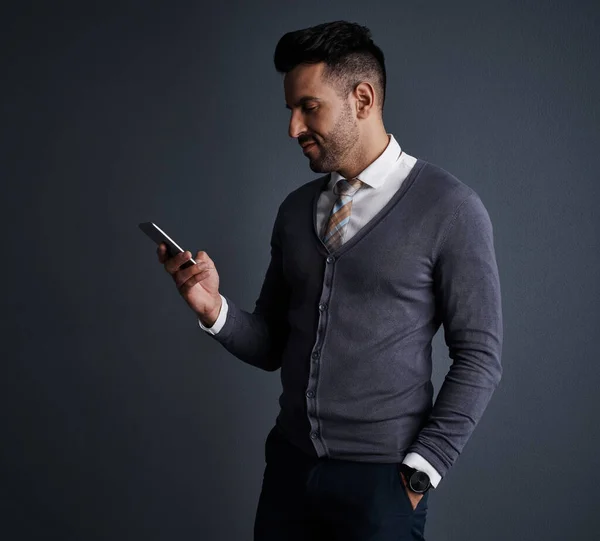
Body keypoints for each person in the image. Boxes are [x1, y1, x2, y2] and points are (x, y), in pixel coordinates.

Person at [157, 20, 503, 541]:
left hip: (381, 487)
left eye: (308, 107)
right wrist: (214, 311)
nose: (293, 127)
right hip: (289, 473)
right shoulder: (296, 211)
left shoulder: (451, 209)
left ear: (362, 98)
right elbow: (273, 342)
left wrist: (419, 473)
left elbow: (480, 357)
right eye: (290, 110)